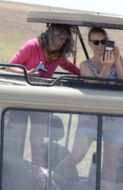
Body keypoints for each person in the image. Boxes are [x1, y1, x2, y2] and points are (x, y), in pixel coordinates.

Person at [53, 28, 123, 190]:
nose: (100, 45)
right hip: (91, 119)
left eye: (103, 41)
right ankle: (51, 185)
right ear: (89, 44)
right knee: (76, 156)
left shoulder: (117, 59)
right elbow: (95, 88)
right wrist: (106, 67)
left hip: (115, 120)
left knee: (110, 162)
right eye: (96, 42)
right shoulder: (84, 65)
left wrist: (116, 60)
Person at [5, 24, 81, 165]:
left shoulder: (58, 56)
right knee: (16, 139)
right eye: (59, 37)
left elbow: (72, 68)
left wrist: (89, 75)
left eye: (64, 39)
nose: (61, 42)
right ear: (50, 33)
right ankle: (16, 171)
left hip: (40, 101)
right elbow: (9, 67)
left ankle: (37, 173)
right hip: (21, 97)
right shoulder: (32, 46)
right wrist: (26, 73)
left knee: (37, 140)